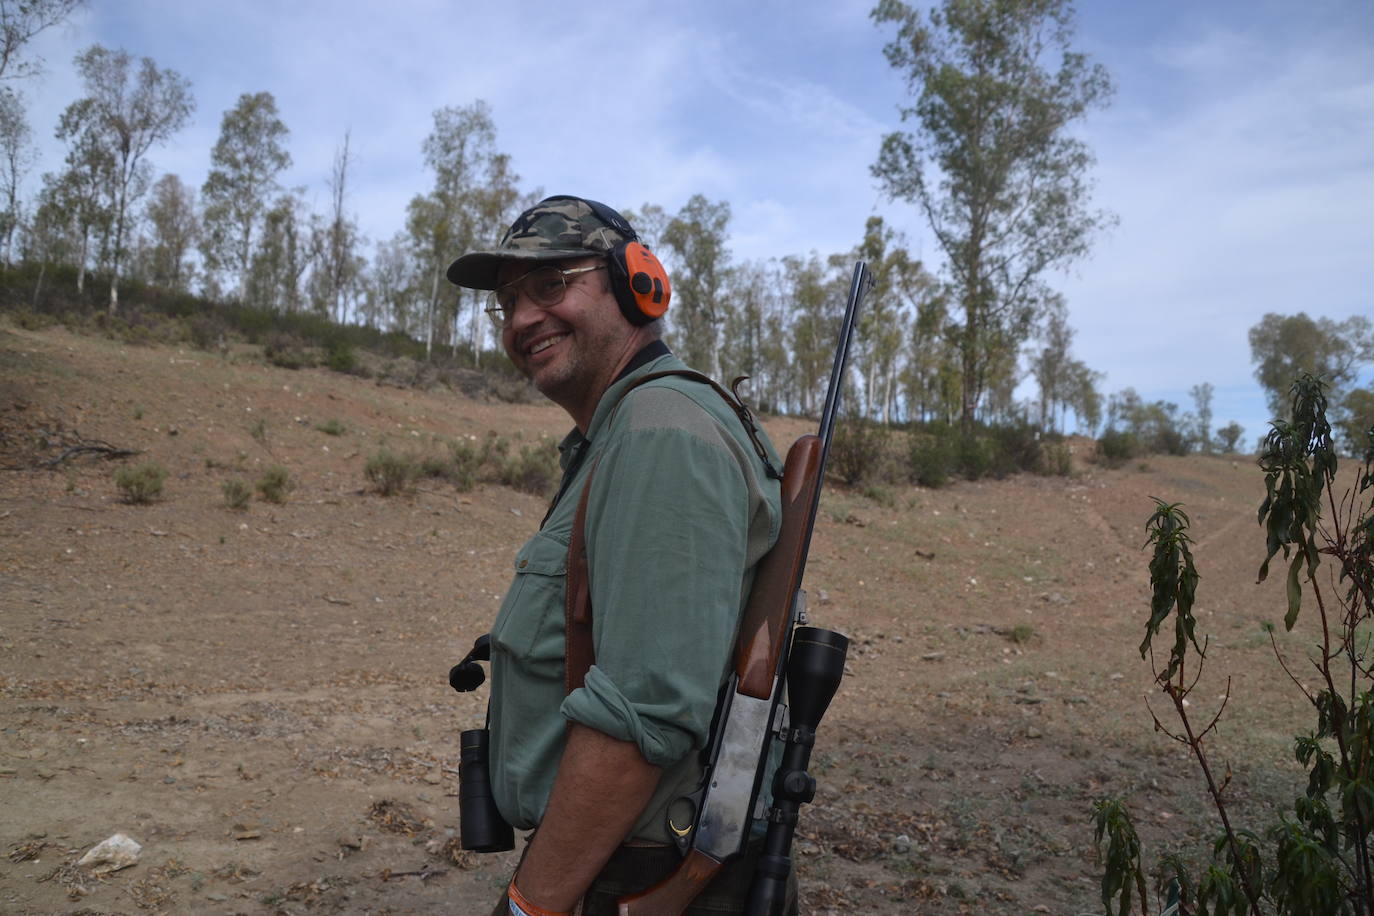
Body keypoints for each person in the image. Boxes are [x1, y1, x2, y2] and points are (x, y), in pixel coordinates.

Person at [446, 195, 795, 915]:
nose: (521, 320)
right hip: (619, 863)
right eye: (507, 303)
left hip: (646, 877)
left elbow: (644, 716)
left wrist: (530, 905)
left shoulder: (658, 433)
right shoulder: (626, 431)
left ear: (639, 283)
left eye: (551, 285)